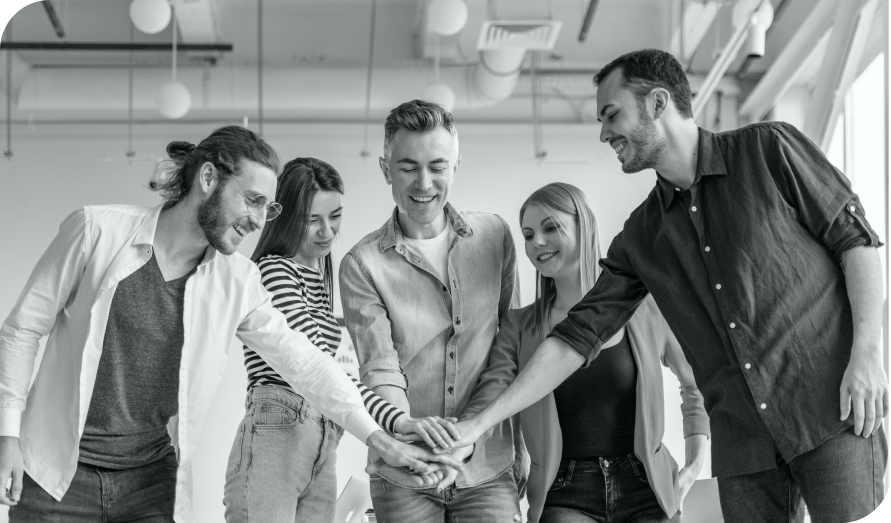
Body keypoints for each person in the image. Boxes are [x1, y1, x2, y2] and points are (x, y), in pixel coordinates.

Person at [445, 49, 887, 523]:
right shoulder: (642, 236)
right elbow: (577, 337)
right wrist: (477, 424)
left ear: (657, 103)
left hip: (829, 409)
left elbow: (855, 241)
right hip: (745, 447)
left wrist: (867, 354)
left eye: (611, 114)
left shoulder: (768, 150)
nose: (603, 133)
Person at [0, 126, 460, 522]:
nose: (258, 221)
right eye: (253, 200)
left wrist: (382, 435)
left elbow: (308, 364)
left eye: (268, 209)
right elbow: (23, 329)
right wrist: (8, 435)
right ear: (207, 179)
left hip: (150, 481)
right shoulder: (96, 232)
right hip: (56, 471)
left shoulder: (237, 281)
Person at [223, 157, 459, 522]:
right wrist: (395, 424)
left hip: (321, 433)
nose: (327, 231)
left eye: (335, 216)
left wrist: (399, 423)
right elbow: (318, 370)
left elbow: (330, 378)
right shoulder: (275, 270)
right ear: (285, 217)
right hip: (280, 430)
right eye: (312, 220)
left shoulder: (317, 278)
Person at [458, 182, 709, 523]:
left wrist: (695, 463)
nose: (536, 242)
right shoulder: (519, 327)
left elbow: (696, 381)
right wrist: (461, 437)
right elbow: (492, 395)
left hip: (646, 486)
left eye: (550, 227)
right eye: (528, 235)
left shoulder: (644, 306)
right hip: (565, 492)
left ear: (584, 225)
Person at [339, 100, 524, 522]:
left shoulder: (495, 237)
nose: (424, 183)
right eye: (408, 167)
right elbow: (380, 369)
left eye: (437, 166)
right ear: (386, 170)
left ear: (456, 166)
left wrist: (472, 436)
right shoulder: (362, 264)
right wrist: (419, 444)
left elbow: (509, 348)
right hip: (405, 472)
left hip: (488, 466)